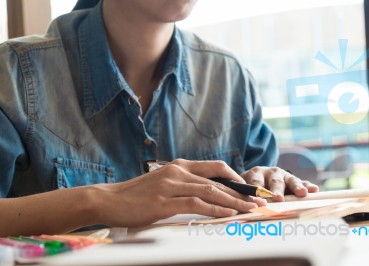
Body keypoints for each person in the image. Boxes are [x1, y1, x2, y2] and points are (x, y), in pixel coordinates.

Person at [0, 0, 318, 236]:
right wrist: (98, 201)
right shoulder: (14, 75)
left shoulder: (229, 78)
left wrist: (266, 185)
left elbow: (264, 222)